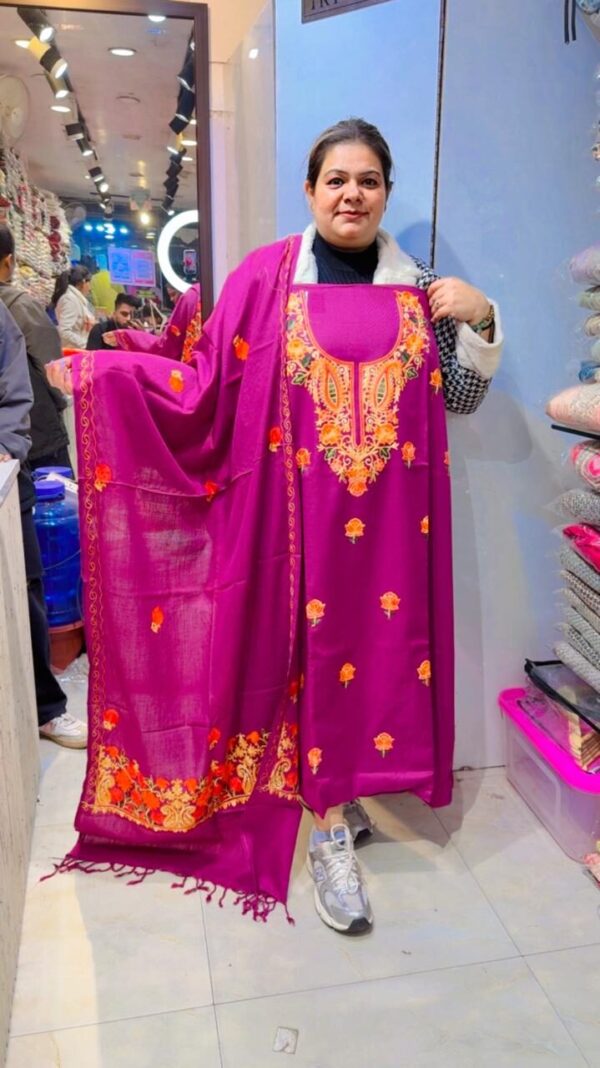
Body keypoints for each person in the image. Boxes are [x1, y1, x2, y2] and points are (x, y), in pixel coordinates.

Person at [46, 118, 502, 931]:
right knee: (308, 665)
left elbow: (460, 401)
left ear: (386, 193)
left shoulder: (422, 287)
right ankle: (326, 829)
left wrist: (485, 319)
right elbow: (203, 385)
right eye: (337, 180)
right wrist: (102, 374)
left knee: (380, 660)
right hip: (293, 535)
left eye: (368, 181)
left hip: (395, 538)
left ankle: (344, 796)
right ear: (310, 190)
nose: (352, 195)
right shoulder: (267, 280)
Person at [0, 299, 87, 749]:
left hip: (7, 473)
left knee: (27, 587)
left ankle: (46, 709)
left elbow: (14, 381)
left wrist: (7, 445)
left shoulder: (7, 314)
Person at [0, 225, 72, 471]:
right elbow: (51, 366)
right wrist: (61, 401)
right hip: (36, 428)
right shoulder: (20, 305)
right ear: (9, 261)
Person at [102, 282, 202, 363]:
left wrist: (129, 337)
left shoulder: (192, 297)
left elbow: (167, 347)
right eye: (124, 314)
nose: (172, 299)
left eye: (173, 294)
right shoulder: (203, 293)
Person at [53, 265, 96, 351]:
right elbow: (64, 331)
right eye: (89, 283)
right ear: (83, 282)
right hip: (72, 352)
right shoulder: (70, 299)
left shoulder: (76, 299)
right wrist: (85, 344)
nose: (90, 288)